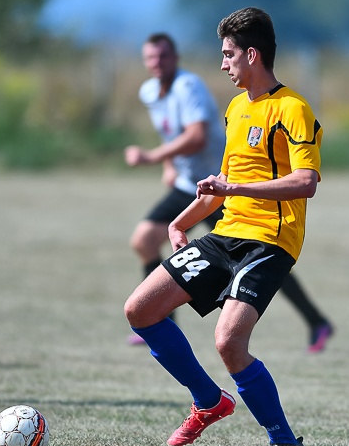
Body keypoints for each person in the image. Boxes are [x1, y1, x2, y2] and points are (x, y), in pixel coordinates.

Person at [124, 8, 320, 446]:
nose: (223, 63)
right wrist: (180, 222)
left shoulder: (292, 108)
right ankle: (208, 400)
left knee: (229, 341)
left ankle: (286, 445)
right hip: (225, 234)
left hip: (270, 241)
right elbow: (222, 184)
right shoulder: (235, 109)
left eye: (229, 54)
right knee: (140, 309)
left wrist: (234, 190)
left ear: (252, 55)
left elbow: (306, 181)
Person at [124, 33, 333, 353]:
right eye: (150, 57)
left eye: (162, 56)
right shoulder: (153, 92)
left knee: (259, 262)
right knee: (145, 242)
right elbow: (171, 132)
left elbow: (196, 136)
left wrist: (153, 157)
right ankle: (160, 317)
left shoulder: (189, 87)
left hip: (231, 194)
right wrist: (171, 171)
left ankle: (315, 320)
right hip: (199, 187)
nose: (156, 63)